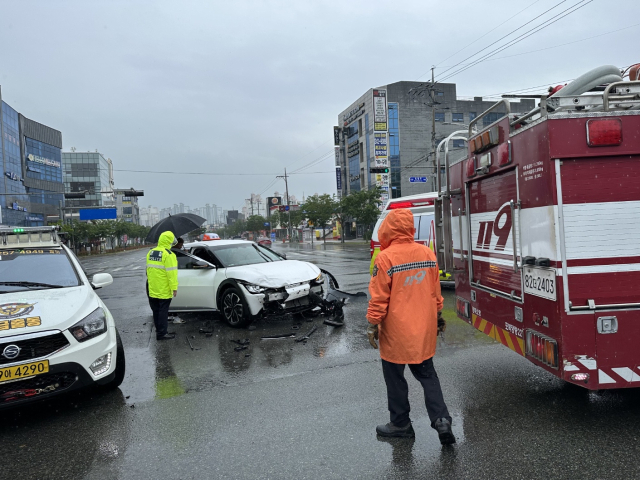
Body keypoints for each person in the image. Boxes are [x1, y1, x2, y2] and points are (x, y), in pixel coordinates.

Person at [366, 209, 455, 445]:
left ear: (388, 229)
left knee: (395, 379)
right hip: (423, 331)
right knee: (428, 376)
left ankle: (401, 424)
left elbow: (379, 298)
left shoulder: (385, 258)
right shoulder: (427, 254)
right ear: (410, 228)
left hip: (396, 333)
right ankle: (441, 420)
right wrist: (437, 316)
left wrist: (373, 324)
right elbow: (436, 292)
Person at [146, 231, 179, 340]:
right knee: (163, 312)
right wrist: (174, 288)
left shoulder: (151, 252)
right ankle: (162, 334)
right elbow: (172, 274)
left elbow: (148, 271)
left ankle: (159, 331)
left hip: (152, 288)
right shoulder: (169, 255)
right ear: (169, 241)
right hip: (164, 289)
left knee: (156, 311)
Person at [168, 237, 186, 324]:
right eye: (180, 245)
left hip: (175, 276)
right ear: (176, 244)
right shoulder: (173, 253)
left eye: (182, 245)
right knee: (172, 298)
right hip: (173, 277)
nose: (180, 246)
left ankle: (171, 314)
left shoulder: (174, 251)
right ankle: (172, 314)